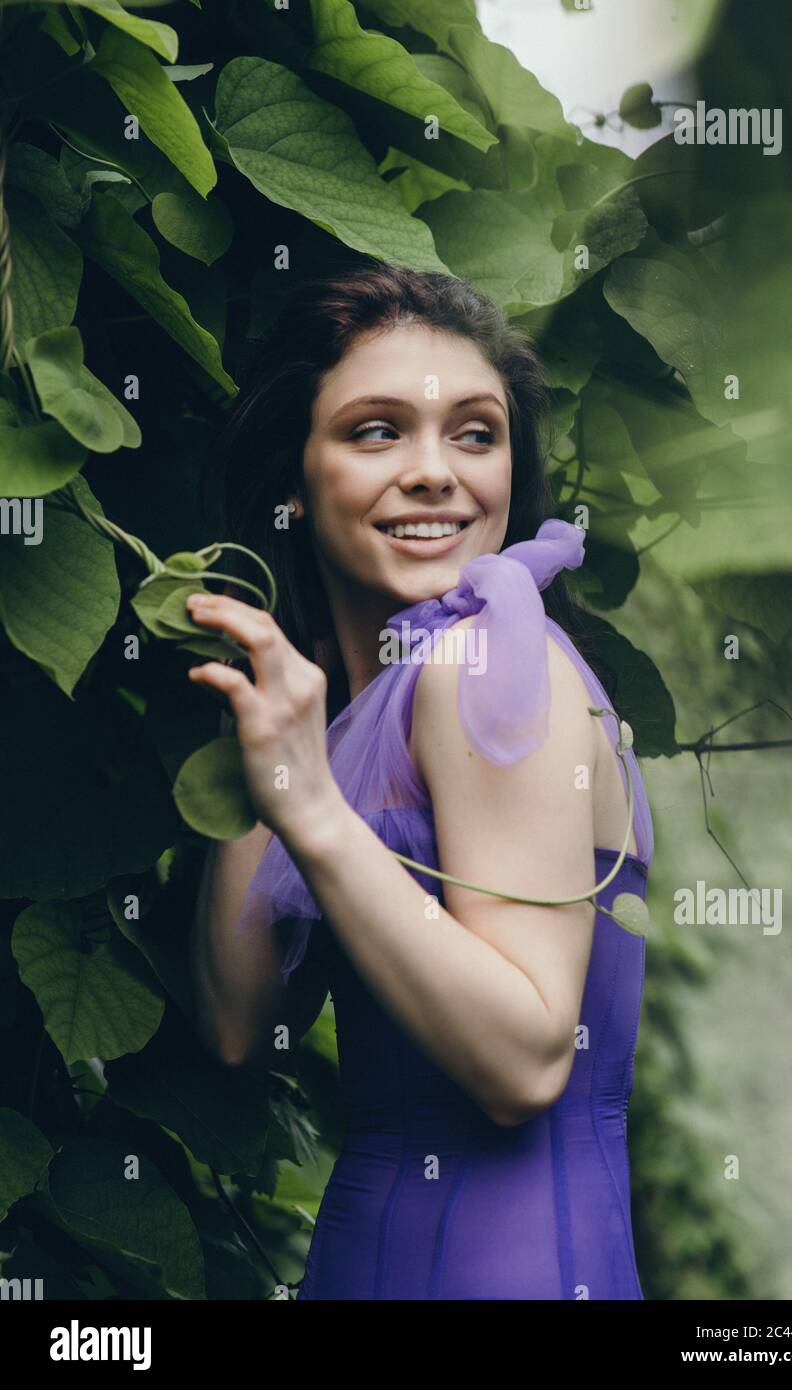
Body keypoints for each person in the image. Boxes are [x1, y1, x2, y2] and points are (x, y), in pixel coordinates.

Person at [188, 261, 654, 1300]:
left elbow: (527, 1062)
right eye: (376, 430)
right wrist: (275, 740)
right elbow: (238, 1029)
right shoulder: (364, 703)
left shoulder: (490, 660)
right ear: (293, 486)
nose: (436, 471)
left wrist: (311, 808)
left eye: (474, 433)